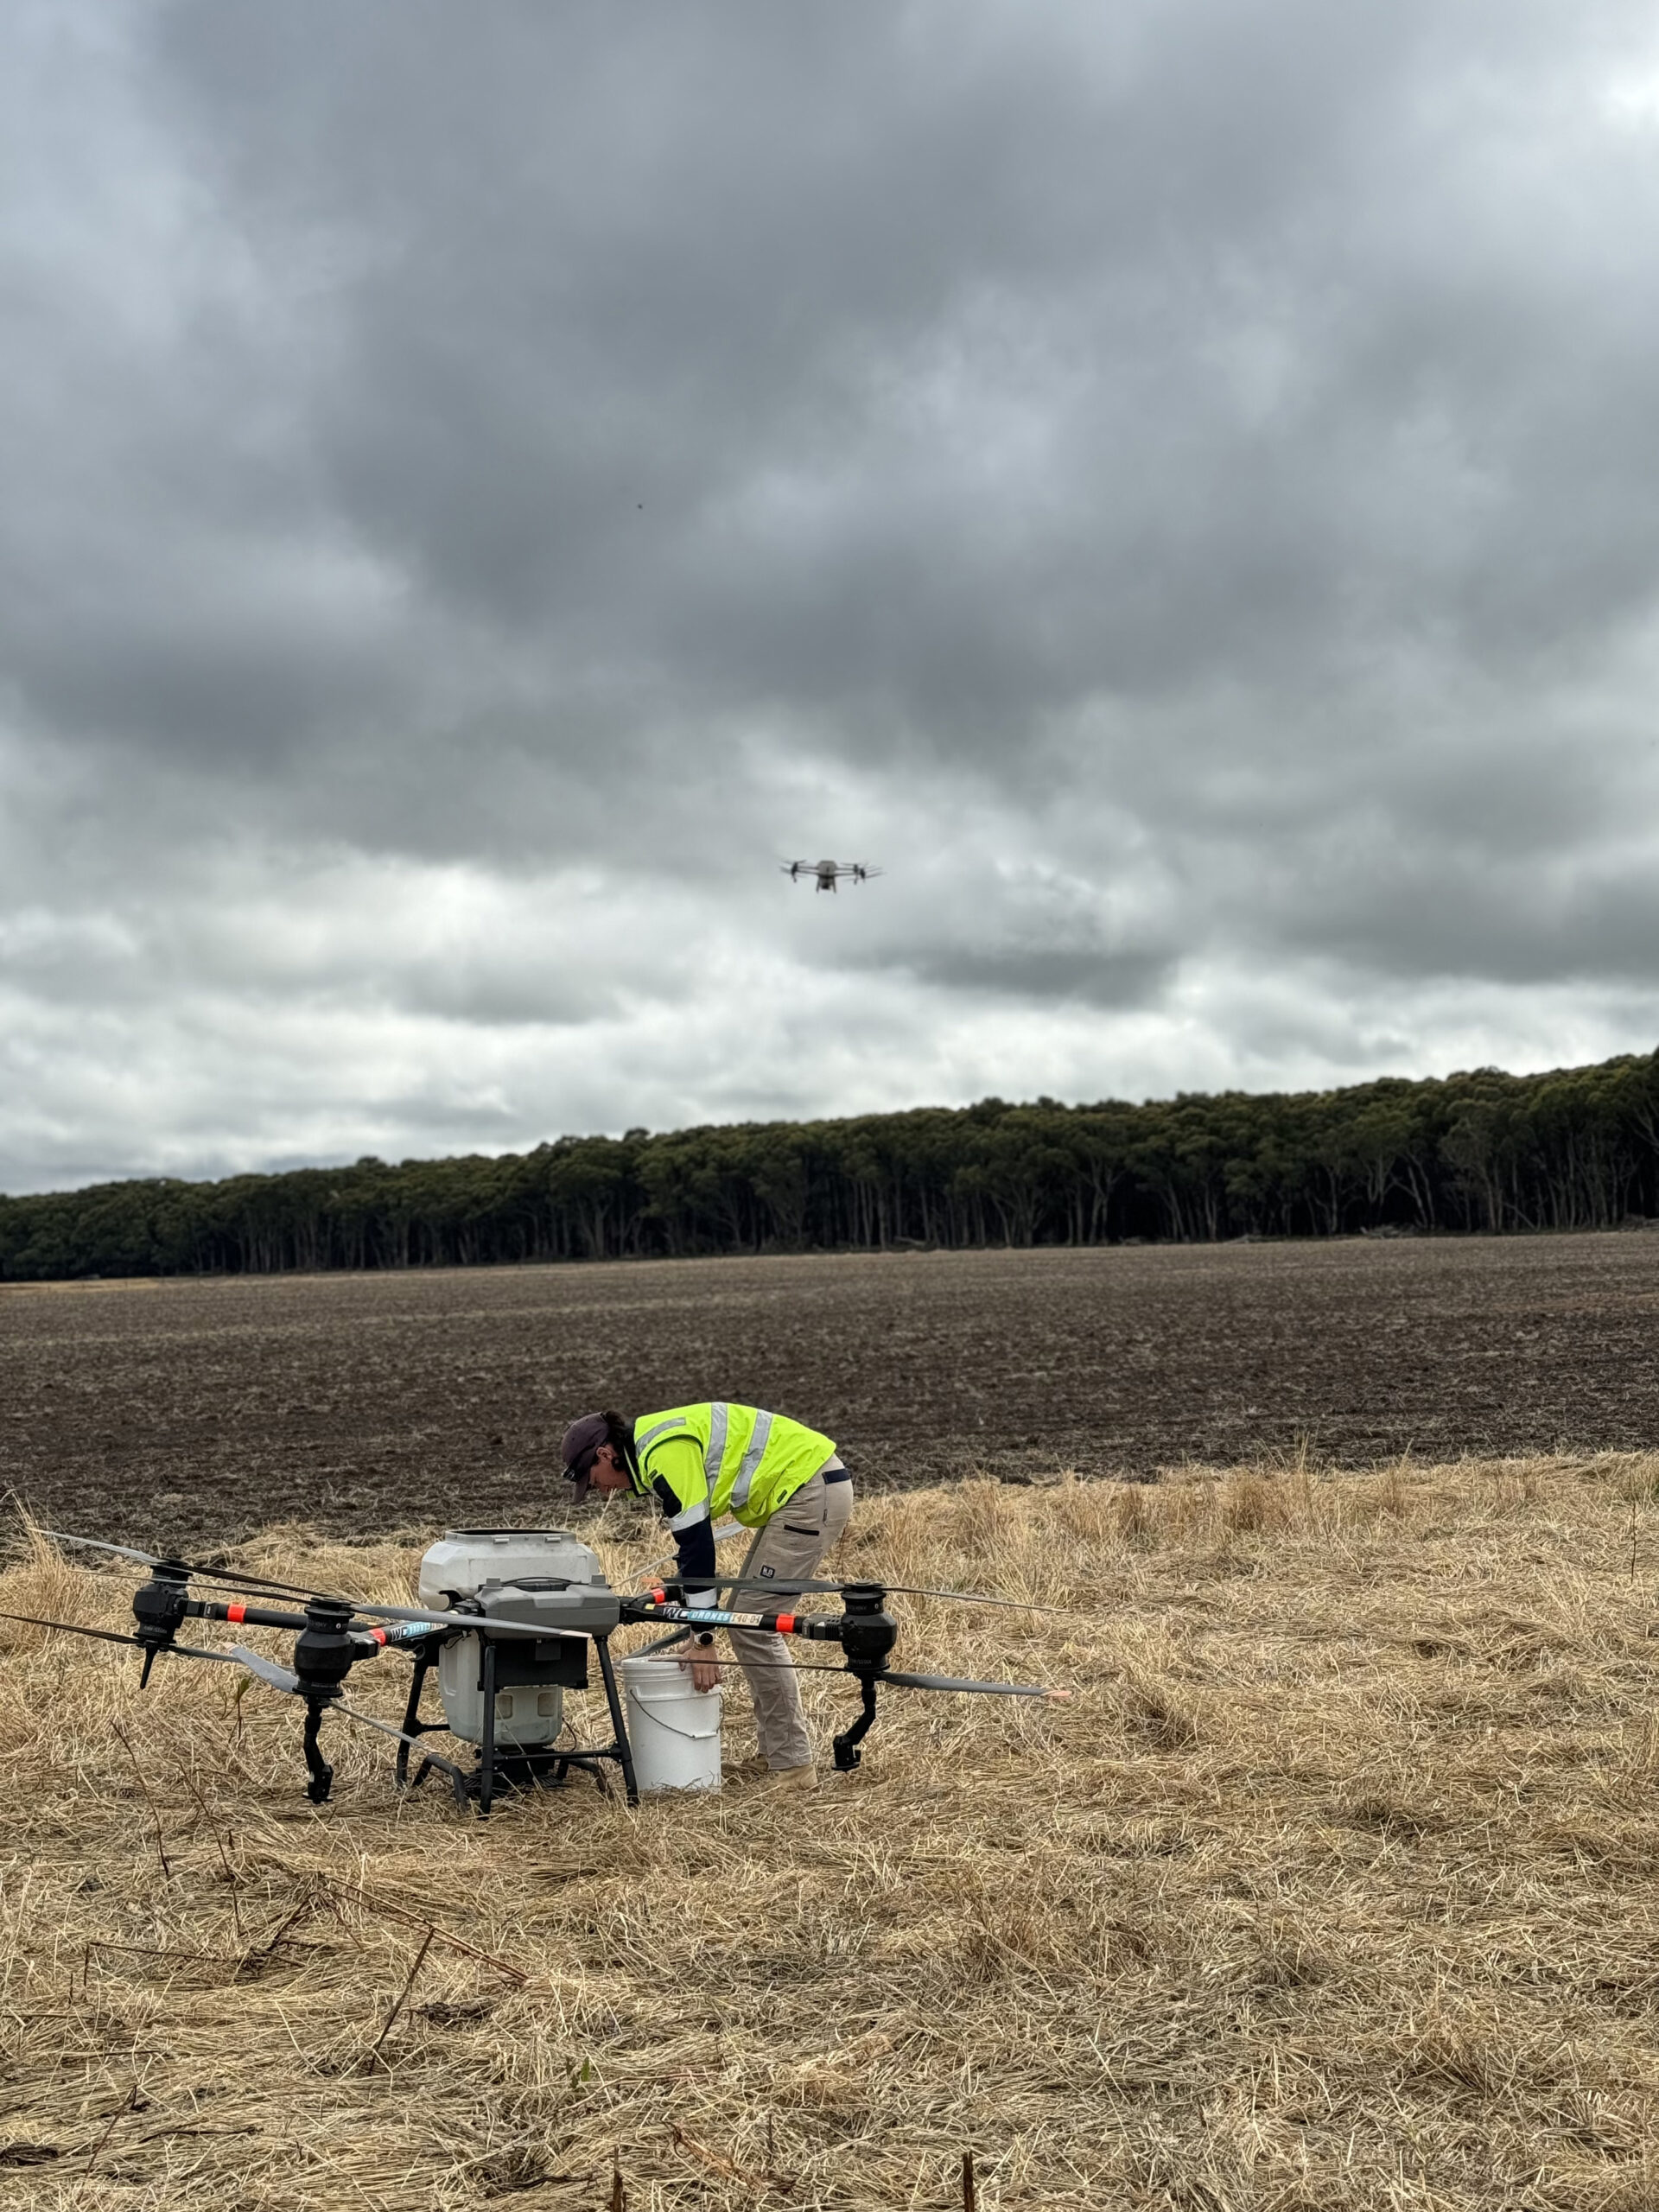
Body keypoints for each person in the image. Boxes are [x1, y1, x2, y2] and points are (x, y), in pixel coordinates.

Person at [560, 1402, 853, 1791]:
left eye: (593, 1480)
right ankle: (776, 1755)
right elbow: (691, 1554)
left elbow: (698, 1548)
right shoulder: (651, 1450)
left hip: (809, 1490)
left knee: (753, 1624)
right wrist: (700, 1620)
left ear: (605, 1454)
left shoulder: (664, 1453)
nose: (599, 1491)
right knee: (745, 1618)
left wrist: (703, 1640)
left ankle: (794, 1767)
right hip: (804, 1486)